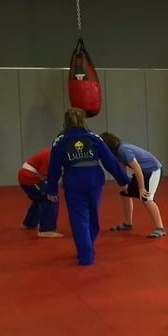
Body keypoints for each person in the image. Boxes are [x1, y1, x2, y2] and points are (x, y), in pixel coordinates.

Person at [45, 108, 130, 266]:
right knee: (93, 217)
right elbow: (110, 161)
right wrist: (123, 181)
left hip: (74, 182)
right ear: (84, 120)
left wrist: (51, 189)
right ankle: (88, 247)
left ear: (66, 122)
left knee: (79, 219)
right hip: (94, 182)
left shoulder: (60, 141)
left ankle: (86, 255)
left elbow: (54, 167)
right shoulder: (94, 138)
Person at [100, 132, 167, 238]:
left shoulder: (123, 150)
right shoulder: (117, 153)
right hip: (143, 172)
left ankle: (160, 228)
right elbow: (122, 167)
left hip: (153, 170)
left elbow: (137, 168)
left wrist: (141, 188)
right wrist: (125, 184)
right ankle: (128, 223)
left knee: (147, 198)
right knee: (125, 194)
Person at [18, 147, 62, 237]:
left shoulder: (55, 152)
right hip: (30, 177)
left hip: (29, 175)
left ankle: (29, 223)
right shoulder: (51, 155)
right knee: (50, 198)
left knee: (39, 197)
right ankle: (46, 230)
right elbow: (43, 175)